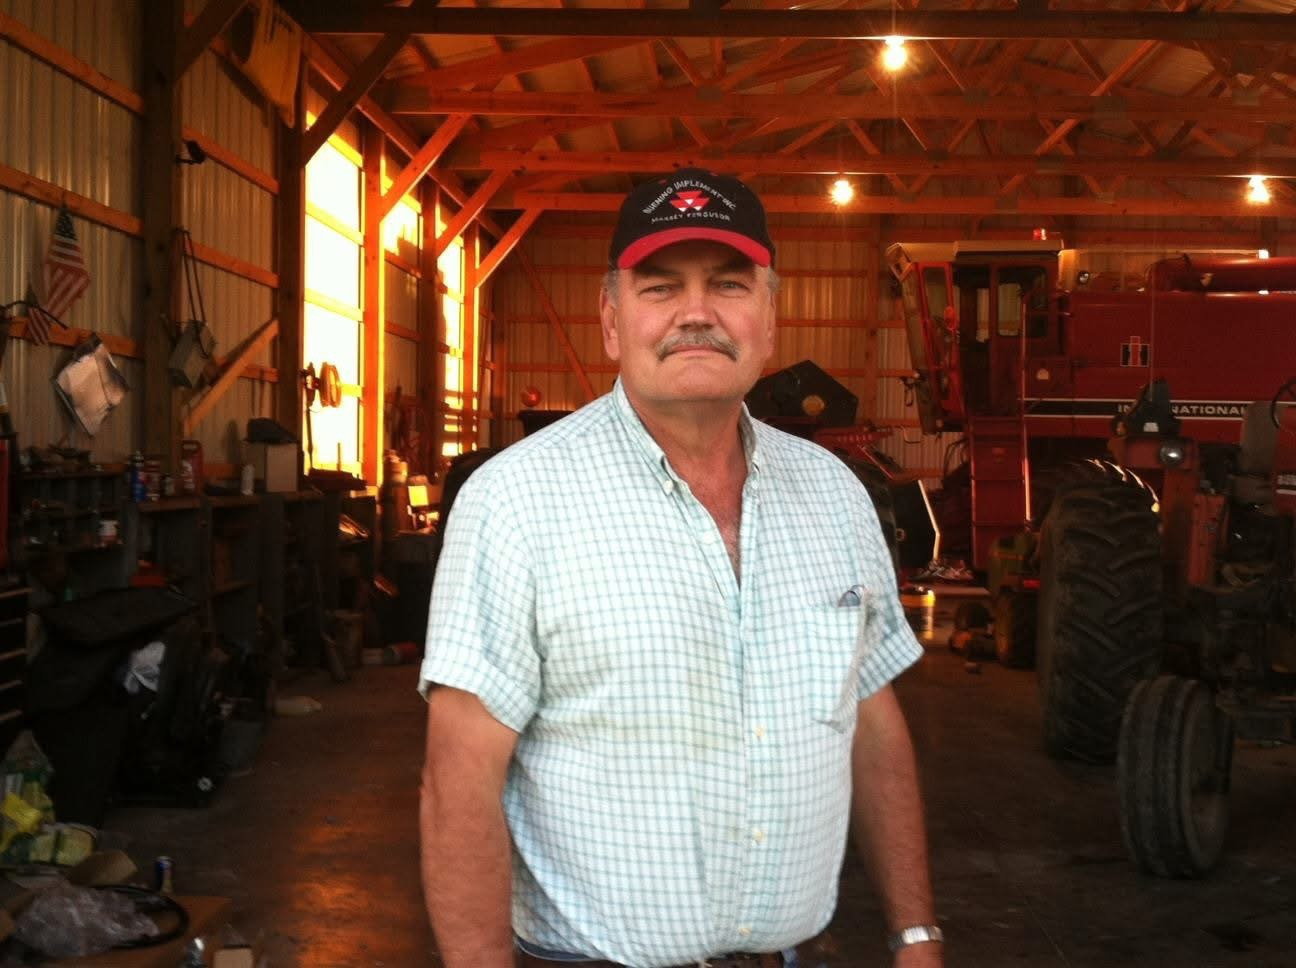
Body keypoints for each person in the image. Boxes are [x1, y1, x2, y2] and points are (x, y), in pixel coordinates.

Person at [419, 168, 942, 968]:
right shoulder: (516, 502)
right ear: (611, 320)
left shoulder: (835, 495)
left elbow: (872, 722)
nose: (697, 312)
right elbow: (458, 782)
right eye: (660, 287)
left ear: (770, 318)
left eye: (728, 284)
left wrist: (915, 933)